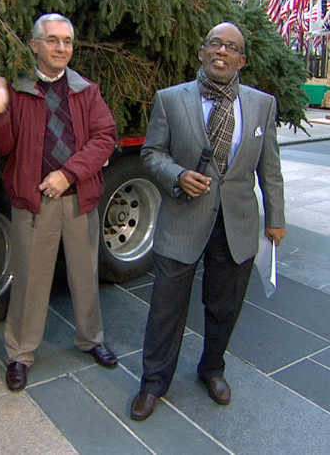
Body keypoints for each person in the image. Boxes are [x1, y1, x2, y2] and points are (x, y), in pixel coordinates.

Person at [130, 22, 286, 421]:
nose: (222, 51)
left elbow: (270, 168)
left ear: (241, 60)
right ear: (201, 52)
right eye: (215, 43)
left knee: (224, 307)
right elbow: (151, 154)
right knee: (166, 308)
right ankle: (153, 383)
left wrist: (276, 218)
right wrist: (177, 175)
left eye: (231, 47)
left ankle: (212, 369)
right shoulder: (170, 100)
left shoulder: (261, 104)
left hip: (237, 224)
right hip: (183, 220)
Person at [0, 13, 118, 393]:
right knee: (30, 281)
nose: (60, 48)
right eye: (51, 40)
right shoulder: (16, 91)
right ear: (34, 45)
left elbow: (105, 137)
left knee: (85, 275)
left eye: (66, 41)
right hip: (34, 205)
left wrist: (68, 173)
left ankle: (91, 338)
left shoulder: (87, 91)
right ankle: (20, 354)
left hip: (79, 198)